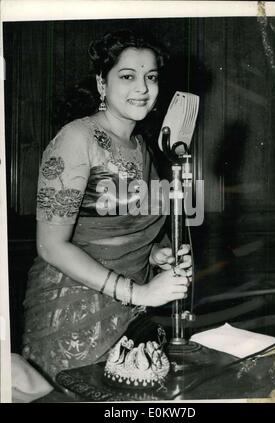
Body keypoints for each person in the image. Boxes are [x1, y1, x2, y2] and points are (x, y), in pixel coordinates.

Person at [22, 30, 191, 383]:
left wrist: (157, 255)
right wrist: (141, 292)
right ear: (102, 83)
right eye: (127, 76)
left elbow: (121, 224)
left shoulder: (141, 145)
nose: (142, 88)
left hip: (129, 313)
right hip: (73, 315)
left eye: (151, 77)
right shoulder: (77, 138)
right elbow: (50, 245)